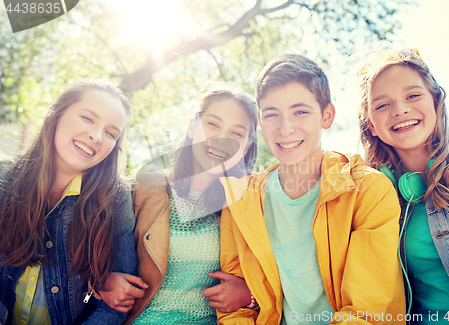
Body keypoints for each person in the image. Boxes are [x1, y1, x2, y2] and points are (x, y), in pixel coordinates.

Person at [217, 54, 406, 325]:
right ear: (260, 121)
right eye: (272, 115)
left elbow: (368, 309)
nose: (286, 128)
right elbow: (234, 309)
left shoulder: (367, 189)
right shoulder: (240, 199)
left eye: (300, 111)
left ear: (326, 116)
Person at [357, 49, 449, 325]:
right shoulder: (373, 198)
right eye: (382, 105)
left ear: (436, 102)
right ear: (371, 125)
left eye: (412, 95)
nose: (400, 109)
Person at [100, 83, 259, 324]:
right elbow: (82, 269)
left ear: (246, 147)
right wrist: (101, 284)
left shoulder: (249, 207)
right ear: (193, 126)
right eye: (213, 124)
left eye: (237, 133)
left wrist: (250, 296)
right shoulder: (139, 191)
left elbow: (278, 280)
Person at [0, 79, 136, 325]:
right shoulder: (4, 178)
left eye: (110, 133)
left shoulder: (115, 199)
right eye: (88, 118)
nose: (96, 136)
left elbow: (115, 305)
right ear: (58, 114)